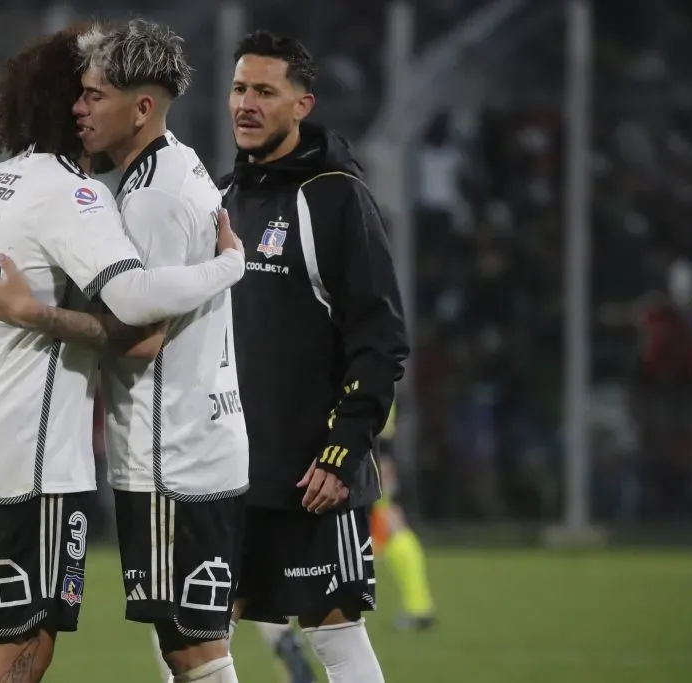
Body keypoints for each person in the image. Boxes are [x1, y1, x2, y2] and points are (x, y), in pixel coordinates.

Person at [0, 25, 245, 683]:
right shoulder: (73, 193)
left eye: (96, 95)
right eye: (81, 95)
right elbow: (138, 311)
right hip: (31, 455)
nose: (86, 109)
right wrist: (229, 267)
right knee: (28, 643)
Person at [221, 30, 409, 683]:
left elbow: (381, 336)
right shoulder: (223, 199)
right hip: (226, 471)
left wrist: (343, 451)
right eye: (240, 88)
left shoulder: (336, 198)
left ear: (301, 105)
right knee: (190, 636)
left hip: (312, 478)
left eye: (265, 91)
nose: (246, 103)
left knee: (335, 633)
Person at [369, 402, 437, 631]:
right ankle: (419, 606)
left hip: (368, 453)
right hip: (376, 452)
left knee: (391, 525)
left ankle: (419, 607)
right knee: (390, 525)